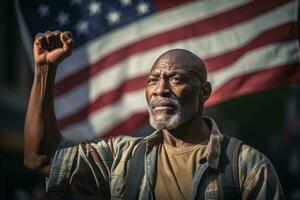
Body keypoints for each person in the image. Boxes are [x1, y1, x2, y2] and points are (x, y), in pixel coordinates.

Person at [24, 30, 285, 200]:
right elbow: (42, 158)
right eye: (153, 80)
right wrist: (44, 71)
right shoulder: (122, 157)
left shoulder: (247, 168)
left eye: (176, 79)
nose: (161, 89)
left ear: (204, 92)